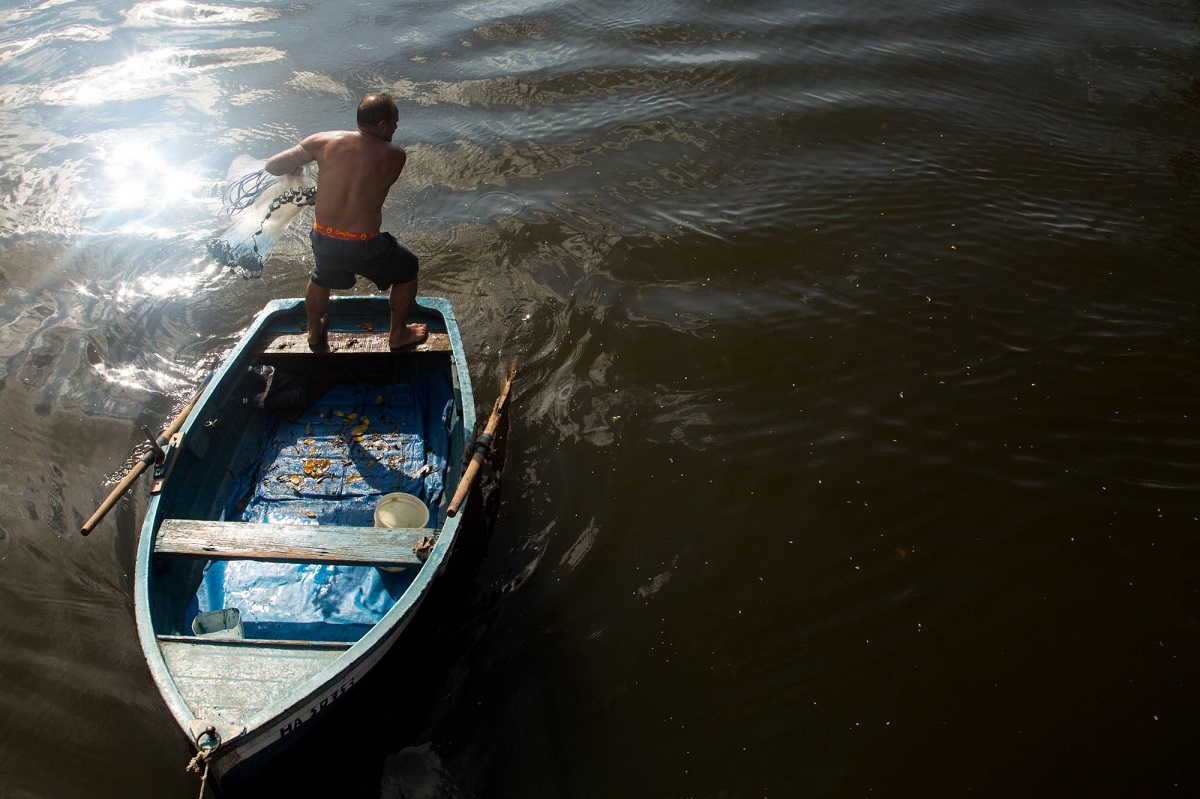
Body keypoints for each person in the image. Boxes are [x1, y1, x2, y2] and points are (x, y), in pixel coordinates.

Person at [264, 93, 428, 350]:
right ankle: (398, 334)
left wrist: (294, 170)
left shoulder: (322, 140)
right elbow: (366, 189)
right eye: (394, 122)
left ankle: (314, 329)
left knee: (320, 278)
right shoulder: (395, 155)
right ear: (383, 125)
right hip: (363, 245)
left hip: (324, 239)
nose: (396, 127)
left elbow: (273, 165)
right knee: (408, 268)